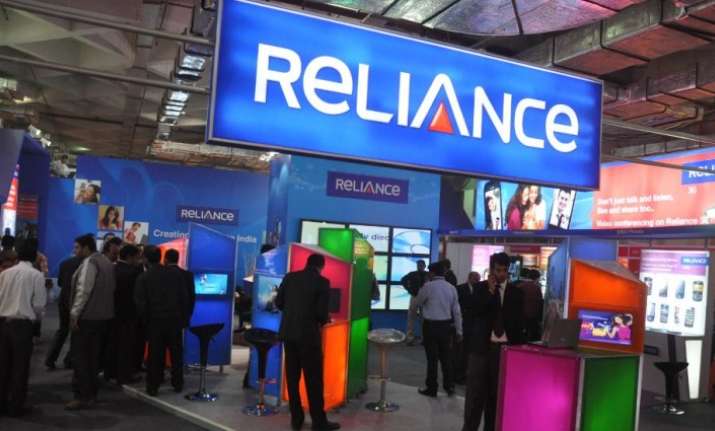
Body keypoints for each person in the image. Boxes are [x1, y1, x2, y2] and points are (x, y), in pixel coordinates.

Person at [275, 253, 340, 431]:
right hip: (309, 337)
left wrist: (293, 312)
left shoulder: (290, 277)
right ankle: (319, 422)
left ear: (307, 263)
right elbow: (321, 314)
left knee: (292, 379)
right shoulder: (322, 282)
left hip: (289, 335)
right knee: (314, 381)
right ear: (321, 267)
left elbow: (279, 302)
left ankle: (296, 420)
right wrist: (324, 319)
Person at [463, 252, 525, 431]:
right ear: (491, 270)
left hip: (504, 350)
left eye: (505, 270)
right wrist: (490, 292)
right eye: (498, 270)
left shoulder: (516, 293)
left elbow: (518, 323)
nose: (502, 274)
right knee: (475, 396)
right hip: (481, 349)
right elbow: (475, 312)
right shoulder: (480, 289)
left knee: (496, 396)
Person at [66, 234, 116, 411]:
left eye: (77, 247)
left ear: (86, 247)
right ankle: (91, 395)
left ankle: (82, 396)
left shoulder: (90, 263)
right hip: (103, 318)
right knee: (93, 359)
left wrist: (74, 315)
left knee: (81, 359)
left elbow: (83, 291)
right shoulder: (106, 262)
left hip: (87, 318)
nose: (75, 251)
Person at [0, 239, 47, 417]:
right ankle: (16, 406)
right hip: (22, 325)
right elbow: (39, 305)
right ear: (35, 257)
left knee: (3, 365)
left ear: (18, 255)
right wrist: (35, 320)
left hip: (3, 323)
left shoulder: (5, 273)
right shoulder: (36, 275)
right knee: (20, 367)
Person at [134, 245, 188, 397]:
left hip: (155, 323)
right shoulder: (176, 275)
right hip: (174, 321)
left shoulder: (144, 277)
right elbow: (184, 298)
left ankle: (153, 386)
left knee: (155, 356)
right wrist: (183, 319)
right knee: (176, 354)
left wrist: (145, 323)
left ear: (145, 259)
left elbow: (140, 304)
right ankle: (178, 383)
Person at [414, 262, 462, 398]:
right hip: (446, 327)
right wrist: (459, 331)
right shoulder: (451, 288)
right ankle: (449, 387)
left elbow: (418, 302)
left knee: (432, 358)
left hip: (430, 326)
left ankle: (432, 388)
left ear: (432, 273)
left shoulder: (428, 287)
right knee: (446, 358)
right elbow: (456, 311)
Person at [104, 244, 143, 385]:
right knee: (126, 347)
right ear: (130, 257)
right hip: (128, 315)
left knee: (112, 344)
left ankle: (110, 373)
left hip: (112, 313)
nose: (138, 260)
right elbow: (137, 297)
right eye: (137, 257)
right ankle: (124, 376)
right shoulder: (133, 273)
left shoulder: (112, 269)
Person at [45, 242, 84, 370]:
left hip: (64, 300)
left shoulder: (65, 263)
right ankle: (69, 360)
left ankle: (50, 359)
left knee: (62, 330)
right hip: (78, 301)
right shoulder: (86, 265)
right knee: (76, 333)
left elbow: (60, 283)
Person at [455, 271, 481, 384]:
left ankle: (465, 374)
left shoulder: (479, 290)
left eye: (478, 279)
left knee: (468, 352)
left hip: (473, 324)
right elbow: (456, 305)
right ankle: (458, 375)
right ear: (470, 278)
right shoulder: (460, 288)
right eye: (475, 279)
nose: (477, 281)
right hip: (462, 322)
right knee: (460, 351)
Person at [164, 249, 195, 328]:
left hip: (163, 317)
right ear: (177, 259)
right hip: (181, 317)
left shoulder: (160, 275)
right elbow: (192, 297)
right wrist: (187, 316)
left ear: (165, 260)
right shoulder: (188, 275)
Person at [401, 259, 428, 345]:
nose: (419, 267)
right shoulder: (412, 274)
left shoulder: (428, 274)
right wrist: (409, 290)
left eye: (421, 265)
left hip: (425, 298)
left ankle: (424, 339)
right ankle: (410, 338)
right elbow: (403, 280)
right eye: (418, 265)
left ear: (424, 266)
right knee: (411, 318)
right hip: (415, 296)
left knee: (424, 319)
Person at [518, 269, 544, 342]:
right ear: (537, 278)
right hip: (533, 317)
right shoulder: (537, 288)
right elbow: (539, 302)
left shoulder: (520, 286)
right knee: (532, 336)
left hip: (521, 316)